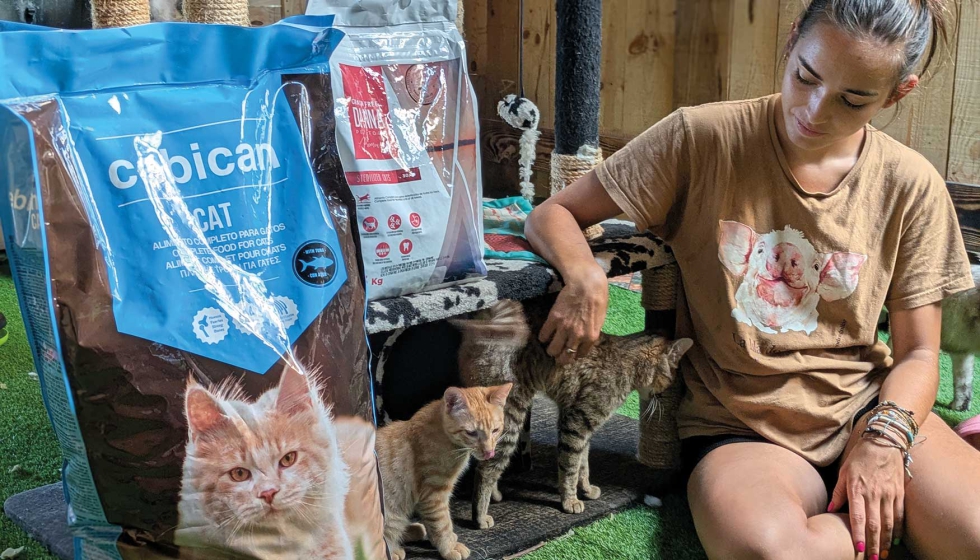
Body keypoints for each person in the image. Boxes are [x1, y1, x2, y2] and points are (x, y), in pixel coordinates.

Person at [525, 1, 980, 559]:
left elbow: (918, 354)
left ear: (897, 93)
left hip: (868, 409)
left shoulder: (911, 183)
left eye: (853, 99)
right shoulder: (701, 136)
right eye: (806, 76)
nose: (813, 109)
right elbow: (554, 214)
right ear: (792, 43)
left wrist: (886, 439)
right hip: (741, 424)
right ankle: (894, 531)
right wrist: (585, 277)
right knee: (774, 554)